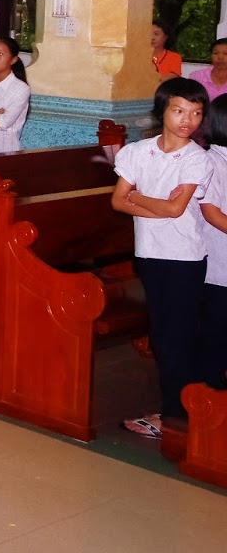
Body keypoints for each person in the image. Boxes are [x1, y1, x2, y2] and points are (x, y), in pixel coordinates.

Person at [111, 77, 212, 439]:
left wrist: (139, 198)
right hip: (150, 254)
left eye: (196, 113)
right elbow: (117, 201)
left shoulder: (196, 158)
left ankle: (175, 419)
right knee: (163, 334)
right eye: (180, 111)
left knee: (175, 337)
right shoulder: (137, 153)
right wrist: (148, 203)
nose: (188, 120)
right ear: (162, 111)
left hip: (184, 258)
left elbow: (174, 209)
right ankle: (179, 412)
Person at [197, 96, 227, 399]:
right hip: (219, 264)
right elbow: (212, 213)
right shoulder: (212, 162)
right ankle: (208, 399)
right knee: (216, 332)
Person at [189, 36, 227, 101]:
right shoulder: (197, 77)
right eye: (216, 53)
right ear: (210, 55)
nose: (220, 57)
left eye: (226, 54)